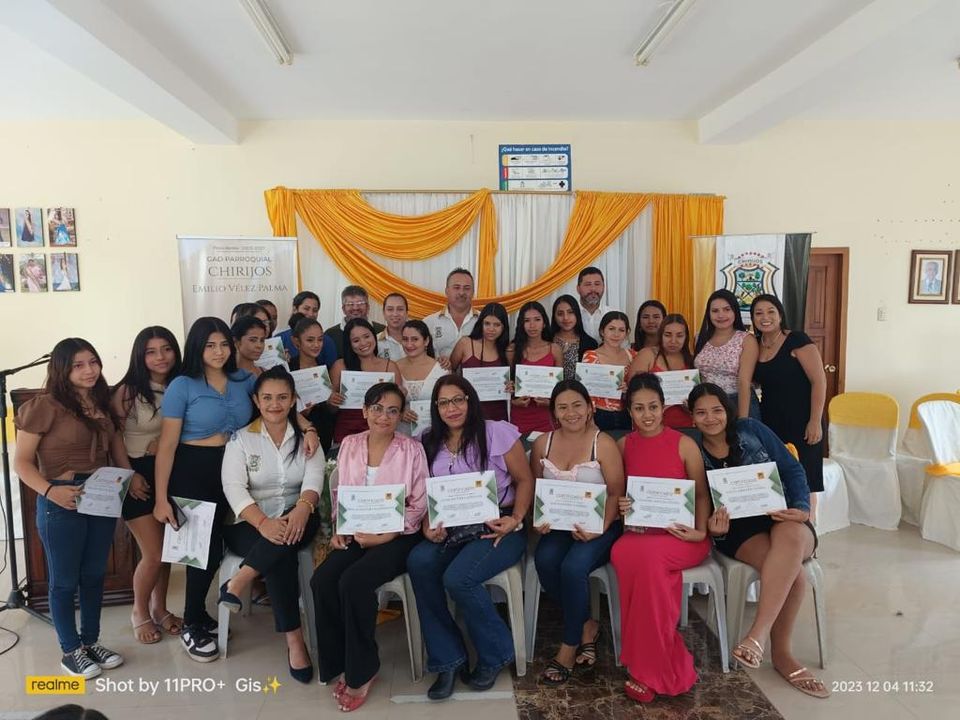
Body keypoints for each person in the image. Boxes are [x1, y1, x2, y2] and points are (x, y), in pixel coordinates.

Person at [153, 317, 284, 661]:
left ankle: (199, 612)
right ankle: (191, 623)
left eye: (224, 344)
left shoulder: (245, 380)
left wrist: (308, 428)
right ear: (197, 347)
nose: (218, 351)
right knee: (201, 550)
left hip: (235, 470)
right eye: (210, 345)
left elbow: (278, 406)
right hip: (192, 471)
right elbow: (167, 446)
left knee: (223, 545)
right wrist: (161, 498)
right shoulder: (182, 385)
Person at [688, 383, 828, 699]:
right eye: (701, 413)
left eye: (717, 410)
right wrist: (713, 528)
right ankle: (782, 655)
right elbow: (700, 502)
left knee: (790, 536)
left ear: (727, 411)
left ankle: (757, 635)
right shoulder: (694, 451)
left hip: (784, 515)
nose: (711, 418)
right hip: (740, 530)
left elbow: (792, 470)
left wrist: (801, 509)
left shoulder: (751, 430)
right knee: (794, 576)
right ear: (692, 418)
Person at [407, 375, 534, 700]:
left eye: (458, 400)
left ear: (470, 400)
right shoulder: (427, 440)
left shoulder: (496, 432)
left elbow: (524, 480)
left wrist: (515, 519)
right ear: (436, 408)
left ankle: (496, 653)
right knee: (419, 561)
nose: (452, 408)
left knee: (458, 578)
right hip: (451, 527)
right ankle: (448, 659)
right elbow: (424, 492)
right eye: (444, 403)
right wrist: (427, 525)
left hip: (499, 524)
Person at [14, 338, 132, 678]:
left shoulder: (102, 402)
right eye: (78, 365)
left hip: (100, 497)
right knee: (64, 581)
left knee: (94, 576)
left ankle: (90, 642)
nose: (89, 370)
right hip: (60, 499)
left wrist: (130, 478)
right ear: (62, 369)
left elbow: (115, 449)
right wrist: (51, 491)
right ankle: (70, 650)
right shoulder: (44, 406)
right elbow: (22, 462)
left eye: (93, 362)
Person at [311, 382, 427, 712]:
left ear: (401, 416)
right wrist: (340, 529)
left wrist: (388, 535)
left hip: (399, 536)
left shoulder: (412, 449)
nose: (383, 417)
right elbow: (341, 494)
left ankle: (363, 669)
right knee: (322, 580)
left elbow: (419, 504)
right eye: (377, 408)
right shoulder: (349, 444)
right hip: (359, 532)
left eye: (392, 411)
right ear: (364, 411)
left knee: (354, 581)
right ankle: (338, 661)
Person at [610, 374, 711, 703]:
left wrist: (700, 531)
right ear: (629, 411)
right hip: (638, 534)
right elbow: (618, 493)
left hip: (682, 535)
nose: (647, 415)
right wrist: (623, 505)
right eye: (639, 408)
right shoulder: (624, 446)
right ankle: (654, 657)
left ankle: (646, 670)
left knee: (650, 559)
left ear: (664, 406)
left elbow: (700, 495)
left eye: (653, 407)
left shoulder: (684, 444)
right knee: (623, 553)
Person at [219, 366, 322, 684]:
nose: (274, 404)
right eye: (267, 398)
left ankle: (239, 581)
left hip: (298, 514)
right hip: (248, 521)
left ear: (293, 400)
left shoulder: (307, 438)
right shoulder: (241, 440)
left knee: (285, 536)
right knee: (281, 552)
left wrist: (303, 507)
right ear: (256, 400)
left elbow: (314, 478)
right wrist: (263, 523)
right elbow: (233, 487)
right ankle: (295, 641)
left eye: (281, 397)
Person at [528, 380, 623, 685]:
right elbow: (536, 490)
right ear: (554, 412)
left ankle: (569, 646)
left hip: (600, 526)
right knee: (545, 561)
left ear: (590, 407)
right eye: (563, 407)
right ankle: (586, 625)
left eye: (577, 405)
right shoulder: (543, 443)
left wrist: (599, 529)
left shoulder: (603, 443)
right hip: (558, 526)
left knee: (573, 567)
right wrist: (538, 519)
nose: (571, 413)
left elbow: (615, 494)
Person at [111, 327, 184, 644]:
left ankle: (160, 608)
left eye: (166, 349)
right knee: (153, 553)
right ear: (140, 356)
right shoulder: (127, 391)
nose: (160, 357)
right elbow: (114, 437)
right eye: (151, 352)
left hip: (169, 472)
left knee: (167, 551)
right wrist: (128, 475)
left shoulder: (182, 385)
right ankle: (139, 611)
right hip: (137, 473)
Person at [750, 295, 826, 503]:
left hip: (803, 418)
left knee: (806, 476)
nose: (765, 317)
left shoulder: (797, 340)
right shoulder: (755, 344)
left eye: (771, 312)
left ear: (780, 315)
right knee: (779, 474)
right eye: (758, 313)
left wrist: (815, 421)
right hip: (772, 419)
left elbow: (819, 381)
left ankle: (808, 521)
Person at [329, 318, 402, 444]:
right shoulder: (339, 366)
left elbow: (398, 406)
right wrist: (332, 401)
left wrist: (401, 395)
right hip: (347, 432)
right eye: (356, 340)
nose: (363, 343)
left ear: (374, 336)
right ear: (349, 344)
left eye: (367, 336)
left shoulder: (390, 367)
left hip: (382, 429)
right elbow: (330, 409)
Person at [694, 289, 760, 419]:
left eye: (726, 309)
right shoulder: (700, 338)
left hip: (737, 401)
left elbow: (744, 382)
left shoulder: (746, 340)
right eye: (715, 311)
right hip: (708, 404)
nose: (721, 315)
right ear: (708, 313)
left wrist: (743, 419)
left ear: (735, 311)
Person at [627, 313, 696, 429]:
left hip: (685, 424)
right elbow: (633, 390)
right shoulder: (648, 354)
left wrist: (692, 404)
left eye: (679, 336)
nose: (673, 341)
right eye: (668, 335)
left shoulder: (691, 360)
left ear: (686, 337)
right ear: (661, 335)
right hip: (649, 424)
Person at [450, 302, 513, 422]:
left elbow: (513, 382)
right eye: (487, 323)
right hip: (469, 413)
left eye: (497, 325)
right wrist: (458, 389)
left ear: (504, 327)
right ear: (481, 323)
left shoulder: (508, 350)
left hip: (498, 414)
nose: (491, 329)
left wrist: (512, 386)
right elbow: (449, 370)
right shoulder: (465, 343)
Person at [511, 301, 563, 435]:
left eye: (537, 320)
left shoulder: (555, 349)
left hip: (547, 417)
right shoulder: (512, 349)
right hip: (519, 417)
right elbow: (507, 385)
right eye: (527, 320)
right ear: (521, 324)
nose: (532, 325)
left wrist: (551, 403)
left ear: (544, 323)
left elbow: (560, 387)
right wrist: (514, 402)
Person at [580, 311, 635, 432]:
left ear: (627, 333)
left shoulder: (633, 356)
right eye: (611, 329)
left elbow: (639, 387)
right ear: (602, 331)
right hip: (599, 413)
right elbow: (585, 390)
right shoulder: (590, 355)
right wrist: (589, 418)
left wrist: (629, 388)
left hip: (626, 413)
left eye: (621, 330)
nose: (616, 334)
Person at [289, 316, 335, 453]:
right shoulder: (286, 370)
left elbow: (332, 410)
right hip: (294, 435)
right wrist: (302, 412)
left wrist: (333, 402)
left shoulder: (327, 370)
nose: (316, 345)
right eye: (310, 340)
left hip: (324, 433)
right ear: (296, 341)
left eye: (320, 339)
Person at [396, 319, 447, 435]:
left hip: (434, 433)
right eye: (405, 339)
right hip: (402, 434)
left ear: (426, 341)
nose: (409, 344)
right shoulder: (394, 367)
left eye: (415, 339)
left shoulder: (441, 369)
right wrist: (400, 412)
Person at [424, 268, 479, 365]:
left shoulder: (484, 321)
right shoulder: (429, 323)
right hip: (438, 374)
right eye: (456, 287)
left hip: (475, 374)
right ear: (447, 291)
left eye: (467, 288)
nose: (461, 293)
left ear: (473, 292)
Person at [324, 286, 386, 359]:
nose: (355, 308)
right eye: (350, 304)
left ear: (368, 307)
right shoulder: (330, 334)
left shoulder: (382, 331)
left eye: (360, 303)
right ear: (343, 309)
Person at [550, 294, 598, 380]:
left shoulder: (590, 343)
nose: (565, 318)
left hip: (578, 388)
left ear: (577, 314)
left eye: (570, 312)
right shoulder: (547, 339)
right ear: (554, 317)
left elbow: (591, 377)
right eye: (560, 314)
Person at [277, 291, 326, 362]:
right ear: (294, 309)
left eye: (315, 310)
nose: (311, 314)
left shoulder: (327, 341)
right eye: (306, 309)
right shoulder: (280, 340)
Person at [576, 267, 617, 343]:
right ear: (578, 289)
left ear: (604, 287)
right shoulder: (569, 316)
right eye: (588, 284)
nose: (593, 289)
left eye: (597, 284)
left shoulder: (615, 315)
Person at [377, 292, 408, 362]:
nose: (395, 314)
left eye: (400, 309)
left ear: (406, 313)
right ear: (384, 313)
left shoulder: (417, 339)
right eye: (390, 309)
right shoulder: (376, 342)